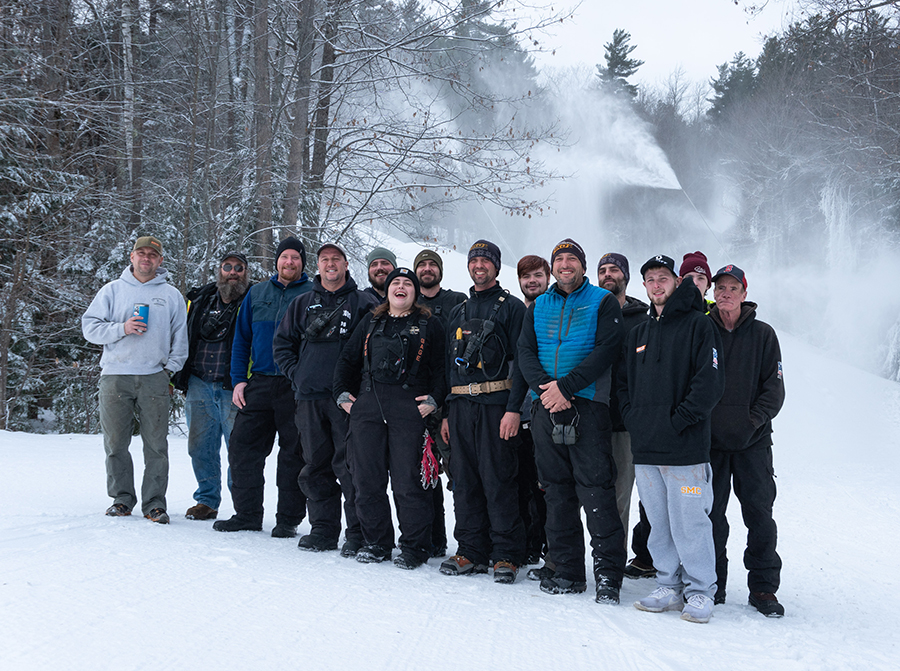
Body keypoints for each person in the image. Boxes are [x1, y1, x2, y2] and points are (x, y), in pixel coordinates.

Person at [518, 239, 626, 603]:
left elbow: (607, 350)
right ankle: (567, 569)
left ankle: (609, 574)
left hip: (587, 406)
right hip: (545, 407)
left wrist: (566, 387)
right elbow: (526, 352)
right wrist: (544, 390)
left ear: (582, 265)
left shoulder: (602, 301)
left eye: (572, 259)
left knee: (596, 490)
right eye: (559, 259)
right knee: (556, 490)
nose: (565, 264)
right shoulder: (538, 306)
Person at [618, 255, 724, 623]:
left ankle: (699, 591)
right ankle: (668, 584)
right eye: (650, 279)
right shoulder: (638, 334)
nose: (656, 285)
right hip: (646, 448)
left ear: (676, 283)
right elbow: (623, 385)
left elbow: (709, 384)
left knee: (690, 522)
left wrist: (679, 420)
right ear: (644, 286)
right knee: (658, 523)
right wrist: (635, 420)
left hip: (686, 449)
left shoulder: (699, 326)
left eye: (663, 278)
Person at [333, 268, 447, 569]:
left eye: (407, 284)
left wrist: (435, 400)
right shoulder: (370, 322)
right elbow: (347, 360)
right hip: (369, 408)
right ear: (387, 290)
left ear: (415, 292)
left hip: (409, 408)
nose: (400, 287)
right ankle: (376, 542)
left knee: (408, 483)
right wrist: (343, 396)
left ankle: (414, 547)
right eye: (395, 282)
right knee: (366, 480)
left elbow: (441, 368)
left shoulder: (429, 324)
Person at [273, 243, 378, 555]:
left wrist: (359, 389)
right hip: (308, 398)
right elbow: (282, 345)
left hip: (347, 401)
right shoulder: (302, 302)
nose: (330, 264)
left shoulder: (364, 303)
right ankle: (323, 529)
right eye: (325, 260)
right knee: (315, 466)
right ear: (317, 266)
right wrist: (298, 374)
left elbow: (373, 349)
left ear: (346, 264)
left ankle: (357, 532)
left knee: (351, 467)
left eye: (336, 259)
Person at [82, 235, 188, 524]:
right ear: (131, 257)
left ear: (160, 260)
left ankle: (154, 503)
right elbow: (89, 328)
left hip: (154, 376)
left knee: (156, 445)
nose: (146, 259)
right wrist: (122, 328)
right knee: (115, 443)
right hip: (115, 376)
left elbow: (181, 337)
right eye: (141, 253)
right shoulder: (112, 291)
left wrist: (169, 370)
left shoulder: (171, 295)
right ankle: (122, 499)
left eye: (152, 255)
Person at [440, 240, 527, 584]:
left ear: (496, 266)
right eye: (475, 260)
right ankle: (470, 550)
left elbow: (522, 365)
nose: (479, 266)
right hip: (460, 406)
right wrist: (447, 412)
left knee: (499, 479)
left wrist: (514, 410)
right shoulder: (458, 311)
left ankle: (506, 554)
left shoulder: (512, 308)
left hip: (496, 408)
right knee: (464, 481)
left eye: (486, 261)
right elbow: (448, 365)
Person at [213, 237, 311, 537]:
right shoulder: (257, 293)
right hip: (260, 383)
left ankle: (288, 520)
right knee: (242, 448)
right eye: (285, 257)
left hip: (296, 387)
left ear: (302, 263)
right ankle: (247, 514)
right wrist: (239, 379)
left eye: (295, 258)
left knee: (293, 454)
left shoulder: (312, 293)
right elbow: (241, 340)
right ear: (277, 261)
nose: (289, 262)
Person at [708, 264, 786, 617]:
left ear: (744, 292)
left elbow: (775, 389)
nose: (725, 293)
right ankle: (713, 584)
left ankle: (763, 587)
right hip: (709, 442)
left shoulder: (764, 335)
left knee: (759, 514)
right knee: (710, 516)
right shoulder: (701, 330)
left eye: (732, 288)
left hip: (753, 442)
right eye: (719, 288)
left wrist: (751, 422)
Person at [172, 251, 250, 521]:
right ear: (219, 270)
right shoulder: (200, 299)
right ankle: (206, 500)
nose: (233, 272)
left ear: (245, 273)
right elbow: (182, 335)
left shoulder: (253, 300)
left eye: (239, 268)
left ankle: (243, 506)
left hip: (235, 387)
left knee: (238, 449)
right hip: (198, 383)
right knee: (200, 446)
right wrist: (176, 376)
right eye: (227, 267)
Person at [597, 253, 655, 580]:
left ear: (626, 277)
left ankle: (613, 562)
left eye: (614, 270)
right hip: (589, 419)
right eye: (602, 270)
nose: (608, 275)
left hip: (625, 424)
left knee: (621, 495)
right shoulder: (590, 312)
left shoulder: (643, 320)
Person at [414, 249, 467, 557]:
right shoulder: (407, 302)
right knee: (423, 473)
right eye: (422, 264)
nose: (428, 269)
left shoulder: (456, 301)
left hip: (453, 399)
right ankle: (432, 539)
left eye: (433, 264)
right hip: (418, 402)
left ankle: (471, 543)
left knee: (459, 474)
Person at [516, 255, 551, 571]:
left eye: (538, 276)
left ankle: (548, 547)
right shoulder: (515, 312)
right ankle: (526, 544)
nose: (532, 281)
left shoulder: (553, 311)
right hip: (517, 412)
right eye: (526, 276)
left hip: (548, 410)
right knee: (521, 482)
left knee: (547, 486)